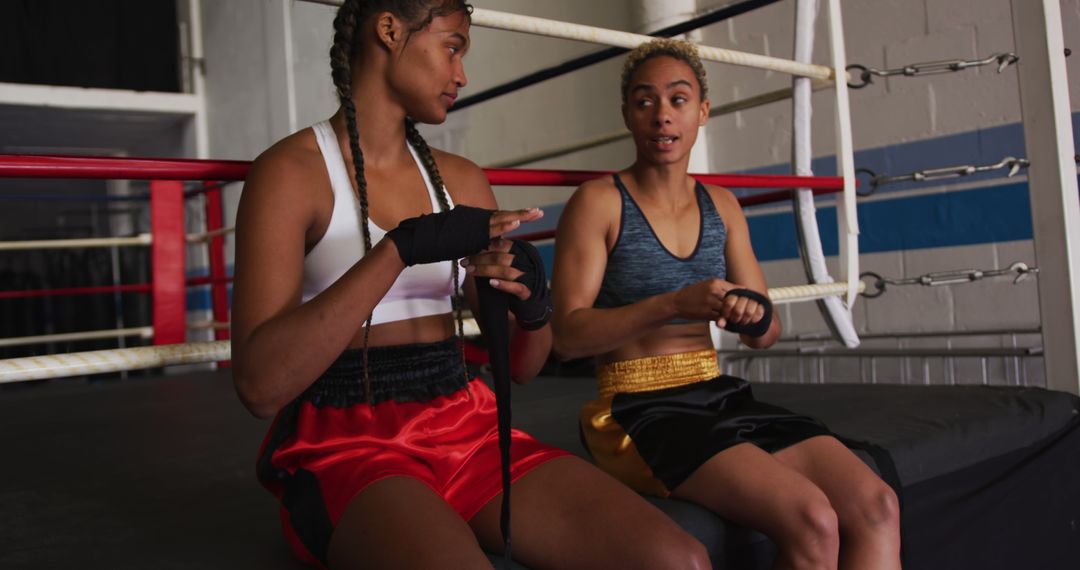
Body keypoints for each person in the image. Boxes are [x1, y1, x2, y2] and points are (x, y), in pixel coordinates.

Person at [230, 2, 708, 568]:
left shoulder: (461, 180)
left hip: (463, 419)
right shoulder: (291, 172)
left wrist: (532, 304)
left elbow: (525, 366)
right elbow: (261, 388)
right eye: (452, 47)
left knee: (676, 560)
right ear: (389, 30)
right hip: (347, 439)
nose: (462, 75)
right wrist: (398, 250)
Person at [552, 38, 902, 570]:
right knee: (814, 518)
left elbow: (766, 331)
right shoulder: (600, 202)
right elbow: (569, 336)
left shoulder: (722, 205)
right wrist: (672, 304)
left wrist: (747, 310)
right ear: (627, 114)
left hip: (718, 394)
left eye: (678, 99)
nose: (662, 116)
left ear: (703, 112)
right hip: (635, 408)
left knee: (877, 505)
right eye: (645, 101)